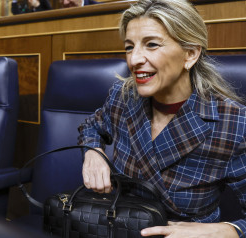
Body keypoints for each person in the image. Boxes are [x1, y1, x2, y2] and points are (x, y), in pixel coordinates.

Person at [78, 0, 246, 237]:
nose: (134, 59)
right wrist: (93, 152)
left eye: (152, 44)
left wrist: (226, 230)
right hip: (118, 228)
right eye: (129, 47)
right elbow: (92, 126)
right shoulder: (123, 97)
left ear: (190, 54)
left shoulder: (234, 123)